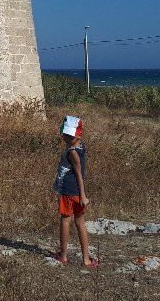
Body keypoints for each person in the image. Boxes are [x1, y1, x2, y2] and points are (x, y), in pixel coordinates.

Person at [52, 115, 97, 268]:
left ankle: (63, 255)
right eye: (65, 134)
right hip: (76, 192)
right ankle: (85, 259)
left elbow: (79, 173)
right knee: (80, 223)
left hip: (70, 192)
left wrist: (83, 195)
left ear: (78, 134)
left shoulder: (72, 152)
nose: (66, 137)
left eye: (70, 135)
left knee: (66, 221)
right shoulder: (81, 146)